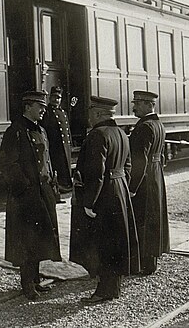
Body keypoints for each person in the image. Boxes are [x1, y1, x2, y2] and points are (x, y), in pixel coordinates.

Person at [70, 96, 140, 304]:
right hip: (119, 191)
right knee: (115, 241)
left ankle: (103, 290)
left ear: (99, 114)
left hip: (104, 195)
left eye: (91, 113)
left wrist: (89, 202)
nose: (89, 117)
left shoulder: (97, 135)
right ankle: (113, 288)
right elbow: (128, 166)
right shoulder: (121, 133)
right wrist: (123, 186)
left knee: (102, 243)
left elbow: (96, 174)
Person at [0, 91, 62, 300]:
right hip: (25, 196)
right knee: (26, 240)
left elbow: (47, 160)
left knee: (40, 238)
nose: (43, 110)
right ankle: (27, 284)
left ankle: (35, 280)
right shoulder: (15, 131)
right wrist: (24, 188)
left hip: (43, 192)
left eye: (44, 107)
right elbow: (8, 165)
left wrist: (52, 183)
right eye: (39, 106)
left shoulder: (41, 130)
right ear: (28, 107)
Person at [129, 90, 169, 275]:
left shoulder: (144, 126)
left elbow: (140, 161)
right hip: (155, 176)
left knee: (142, 219)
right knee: (153, 217)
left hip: (144, 179)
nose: (134, 106)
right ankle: (151, 261)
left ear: (148, 105)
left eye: (137, 103)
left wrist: (132, 187)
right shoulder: (158, 125)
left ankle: (144, 263)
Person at [40, 86, 73, 199]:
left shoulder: (62, 112)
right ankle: (56, 192)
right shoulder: (47, 113)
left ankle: (65, 188)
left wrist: (70, 146)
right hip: (54, 147)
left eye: (58, 98)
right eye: (54, 97)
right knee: (56, 170)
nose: (56, 100)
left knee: (65, 169)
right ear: (50, 98)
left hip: (64, 147)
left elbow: (67, 131)